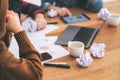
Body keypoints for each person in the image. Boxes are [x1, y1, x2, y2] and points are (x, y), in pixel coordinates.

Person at [0, 0, 43, 80]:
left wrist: (5, 28)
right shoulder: (2, 60)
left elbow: (28, 4)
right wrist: (19, 30)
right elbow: (35, 73)